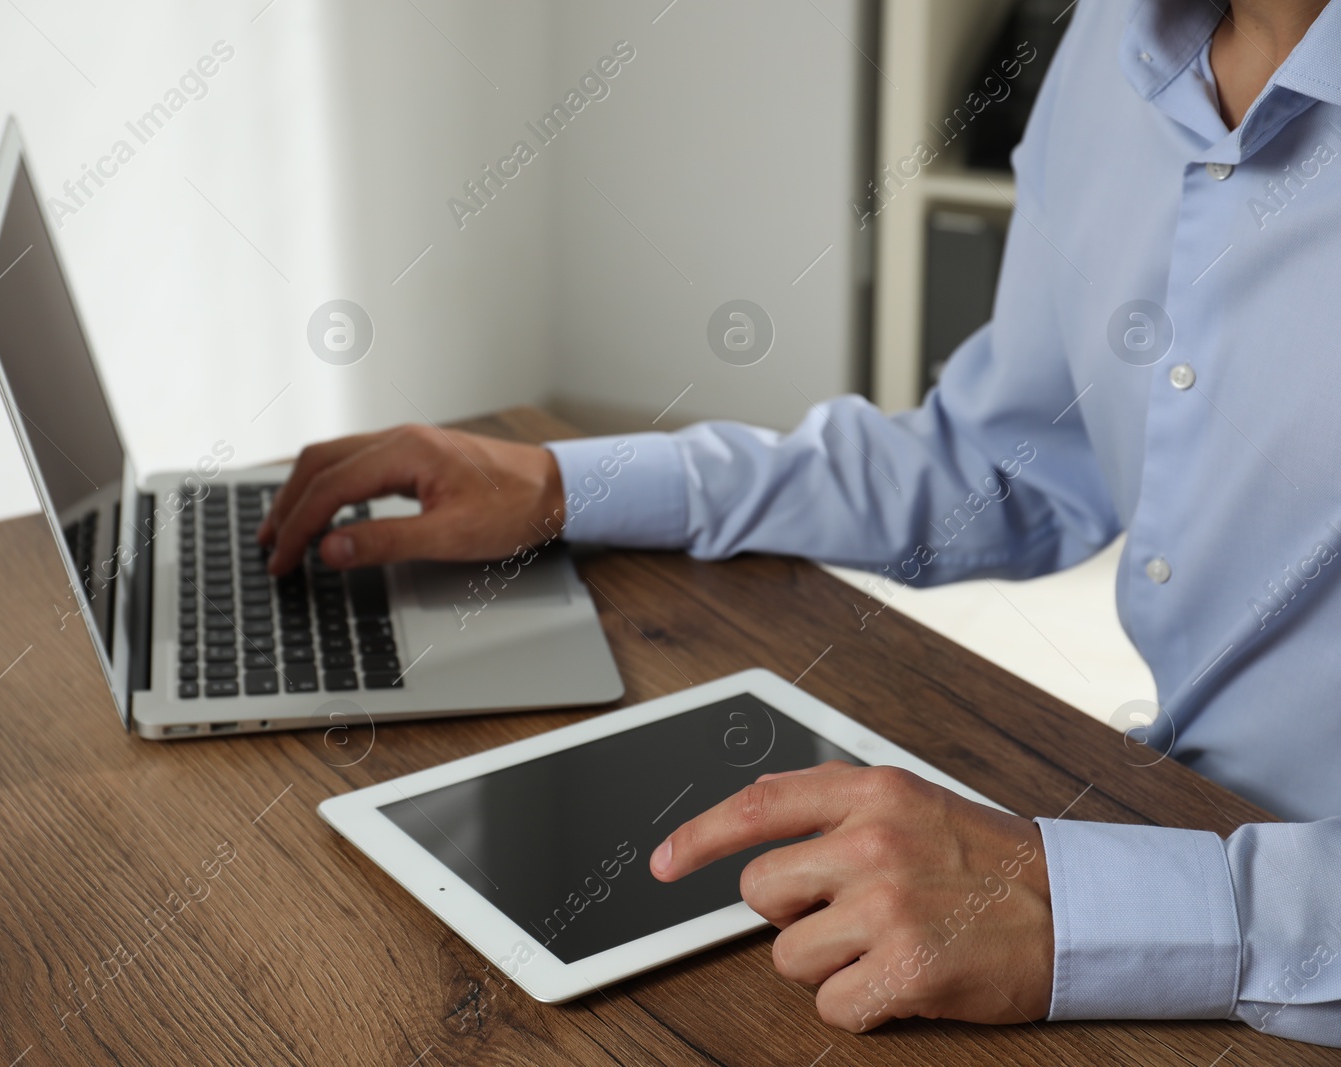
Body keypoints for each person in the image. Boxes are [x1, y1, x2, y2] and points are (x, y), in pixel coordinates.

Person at [259, 0, 1341, 1047]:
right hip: (1175, 816)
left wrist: (1094, 905)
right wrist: (562, 485)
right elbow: (1003, 458)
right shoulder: (1116, 35)